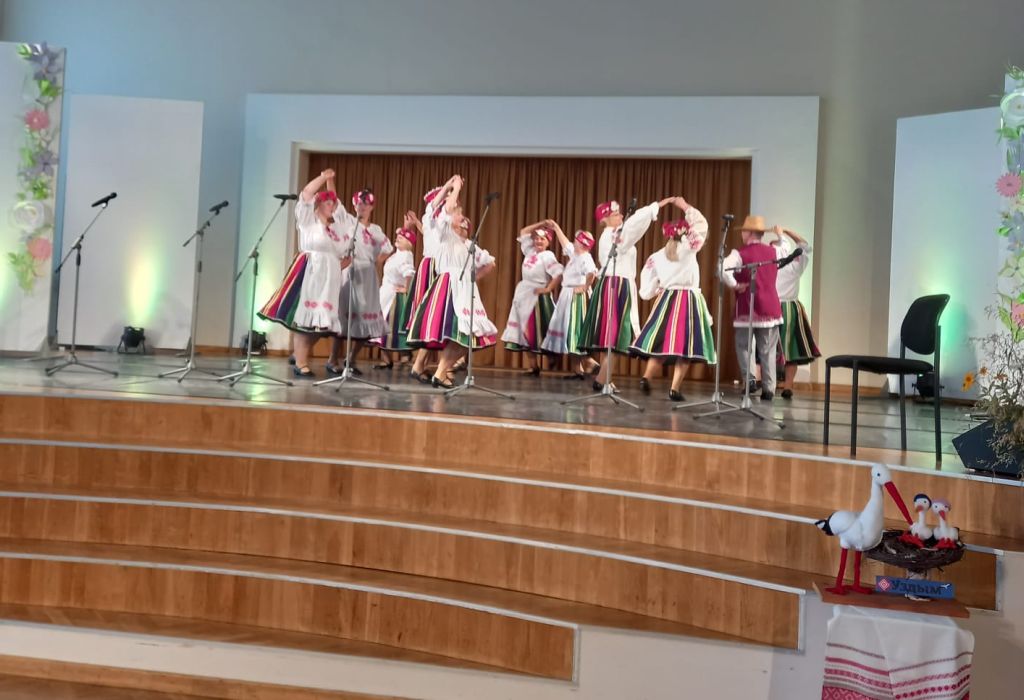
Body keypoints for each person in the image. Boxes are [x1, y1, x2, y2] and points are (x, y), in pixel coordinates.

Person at [580, 196, 689, 390]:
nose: (621, 216)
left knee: (609, 336)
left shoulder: (613, 234)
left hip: (613, 284)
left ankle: (606, 380)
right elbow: (634, 225)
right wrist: (656, 206)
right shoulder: (613, 234)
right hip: (616, 285)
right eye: (616, 214)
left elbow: (631, 227)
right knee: (616, 336)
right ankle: (600, 382)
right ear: (604, 219)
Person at [258, 169, 352, 378]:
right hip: (311, 271)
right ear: (318, 205)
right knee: (305, 319)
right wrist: (324, 178)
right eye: (328, 203)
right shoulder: (308, 221)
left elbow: (339, 211)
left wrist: (339, 265)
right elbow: (307, 194)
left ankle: (299, 356)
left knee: (322, 324)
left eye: (333, 204)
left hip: (328, 278)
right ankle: (301, 362)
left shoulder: (335, 230)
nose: (332, 206)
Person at [407, 175, 498, 388]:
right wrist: (453, 187)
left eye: (462, 216)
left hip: (465, 289)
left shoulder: (467, 245)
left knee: (468, 337)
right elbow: (443, 209)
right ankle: (439, 371)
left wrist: (472, 278)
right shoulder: (443, 233)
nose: (462, 218)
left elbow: (490, 263)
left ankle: (441, 371)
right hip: (448, 286)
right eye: (458, 214)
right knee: (454, 332)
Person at [629, 199, 714, 401]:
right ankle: (674, 389)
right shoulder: (690, 246)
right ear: (685, 233)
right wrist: (685, 207)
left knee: (662, 344)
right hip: (688, 300)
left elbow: (645, 285)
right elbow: (702, 225)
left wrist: (654, 290)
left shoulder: (657, 256)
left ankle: (646, 377)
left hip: (667, 300)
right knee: (685, 347)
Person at [326, 182, 393, 375]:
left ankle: (352, 358)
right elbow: (334, 201)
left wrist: (376, 262)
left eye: (366, 204)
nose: (362, 206)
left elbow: (388, 248)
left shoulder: (376, 230)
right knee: (345, 317)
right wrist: (330, 180)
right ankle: (333, 359)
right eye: (359, 203)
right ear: (354, 204)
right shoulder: (347, 221)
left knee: (367, 319)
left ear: (372, 206)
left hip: (367, 276)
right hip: (350, 270)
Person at [723, 215, 784, 400]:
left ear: (749, 233)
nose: (741, 234)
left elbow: (722, 268)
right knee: (768, 349)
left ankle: (749, 379)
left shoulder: (739, 254)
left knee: (744, 346)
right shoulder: (773, 252)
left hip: (747, 307)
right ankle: (769, 388)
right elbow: (786, 250)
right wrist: (781, 237)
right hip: (769, 307)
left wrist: (735, 285)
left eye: (743, 231)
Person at [501, 221, 564, 375]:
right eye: (536, 238)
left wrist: (548, 288)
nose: (538, 241)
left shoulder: (548, 256)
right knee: (524, 329)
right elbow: (523, 232)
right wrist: (541, 224)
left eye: (542, 239)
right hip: (524, 293)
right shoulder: (530, 252)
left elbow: (558, 273)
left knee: (540, 328)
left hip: (537, 296)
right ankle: (533, 366)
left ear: (548, 241)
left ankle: (551, 356)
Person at [408, 179, 456, 384]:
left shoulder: (439, 221)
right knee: (433, 317)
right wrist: (450, 186)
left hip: (441, 266)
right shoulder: (434, 215)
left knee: (438, 319)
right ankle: (423, 364)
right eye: (446, 198)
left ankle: (428, 365)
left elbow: (429, 233)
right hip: (434, 267)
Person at [540, 221, 599, 378]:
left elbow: (592, 272)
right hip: (568, 294)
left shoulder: (585, 257)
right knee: (568, 331)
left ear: (581, 243)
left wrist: (585, 286)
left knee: (574, 330)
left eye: (576, 240)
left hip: (576, 296)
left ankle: (589, 362)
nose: (573, 242)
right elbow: (565, 243)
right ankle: (577, 370)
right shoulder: (576, 254)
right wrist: (556, 227)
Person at [771, 225, 819, 399]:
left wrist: (782, 235)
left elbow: (804, 248)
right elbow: (805, 246)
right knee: (788, 350)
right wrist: (785, 232)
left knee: (773, 348)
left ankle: (775, 386)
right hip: (785, 307)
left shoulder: (777, 264)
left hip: (779, 307)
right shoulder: (794, 265)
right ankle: (785, 386)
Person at [373, 213, 420, 368]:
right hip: (385, 293)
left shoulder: (406, 255)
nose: (398, 238)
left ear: (409, 244)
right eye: (398, 237)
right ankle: (386, 359)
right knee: (381, 325)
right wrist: (406, 228)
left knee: (390, 326)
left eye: (402, 238)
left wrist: (406, 287)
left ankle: (404, 355)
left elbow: (409, 273)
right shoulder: (397, 254)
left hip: (394, 296)